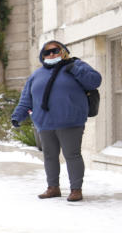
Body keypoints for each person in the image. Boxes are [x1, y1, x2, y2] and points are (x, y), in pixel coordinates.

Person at [11, 40, 102, 201]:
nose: (51, 54)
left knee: (72, 155)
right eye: (47, 52)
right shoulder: (36, 75)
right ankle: (53, 188)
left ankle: (76, 189)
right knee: (49, 156)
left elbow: (95, 81)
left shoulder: (76, 65)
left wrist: (75, 69)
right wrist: (17, 116)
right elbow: (26, 99)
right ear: (42, 56)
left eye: (55, 50)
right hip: (45, 123)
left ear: (63, 51)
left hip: (70, 122)